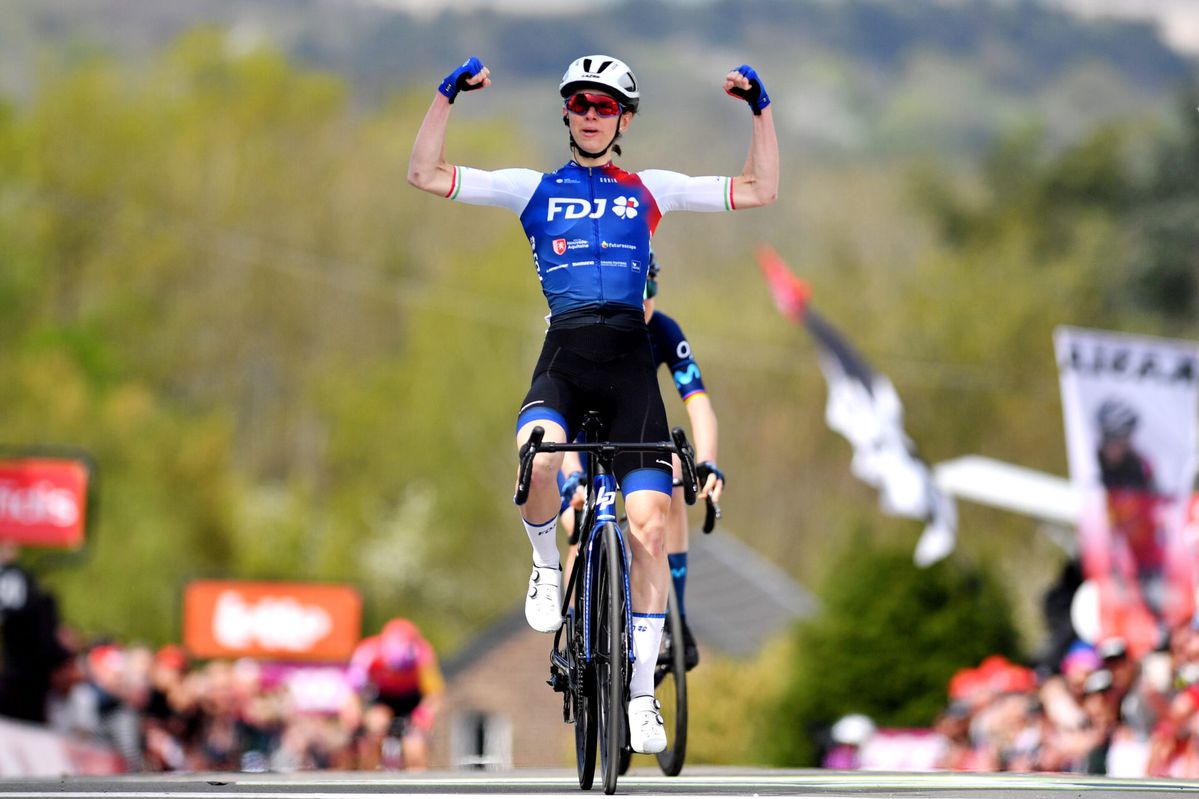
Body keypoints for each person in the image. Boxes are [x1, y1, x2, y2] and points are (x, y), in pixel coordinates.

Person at [408, 52, 777, 753]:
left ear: (624, 119)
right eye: (578, 102)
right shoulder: (533, 187)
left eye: (603, 105)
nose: (588, 113)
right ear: (565, 113)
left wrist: (761, 111)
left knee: (647, 524)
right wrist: (444, 95)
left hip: (631, 372)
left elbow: (759, 189)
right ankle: (546, 562)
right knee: (535, 457)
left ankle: (640, 694)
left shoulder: (650, 188)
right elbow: (424, 174)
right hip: (567, 359)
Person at [559, 251, 722, 670]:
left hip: (637, 437)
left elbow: (699, 404)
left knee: (676, 484)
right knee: (577, 525)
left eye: (652, 287)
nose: (646, 299)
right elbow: (565, 417)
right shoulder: (591, 327)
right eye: (636, 289)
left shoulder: (664, 330)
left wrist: (706, 462)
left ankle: (675, 617)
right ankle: (573, 623)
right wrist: (572, 478)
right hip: (586, 438)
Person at [346, 618, 444, 770]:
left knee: (415, 747)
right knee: (375, 729)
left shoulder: (423, 655)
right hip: (383, 698)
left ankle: (417, 787)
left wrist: (423, 715)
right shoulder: (368, 652)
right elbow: (352, 691)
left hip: (412, 700)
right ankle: (369, 780)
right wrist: (354, 713)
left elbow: (434, 695)